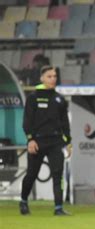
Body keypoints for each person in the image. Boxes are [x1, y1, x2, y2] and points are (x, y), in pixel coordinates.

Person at [19, 66, 71, 216]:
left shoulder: (60, 99)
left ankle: (58, 208)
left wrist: (68, 142)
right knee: (31, 174)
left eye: (54, 76)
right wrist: (30, 140)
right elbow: (27, 122)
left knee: (57, 174)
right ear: (42, 78)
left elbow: (65, 123)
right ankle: (23, 201)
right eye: (49, 76)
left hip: (56, 142)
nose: (53, 79)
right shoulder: (33, 98)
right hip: (37, 142)